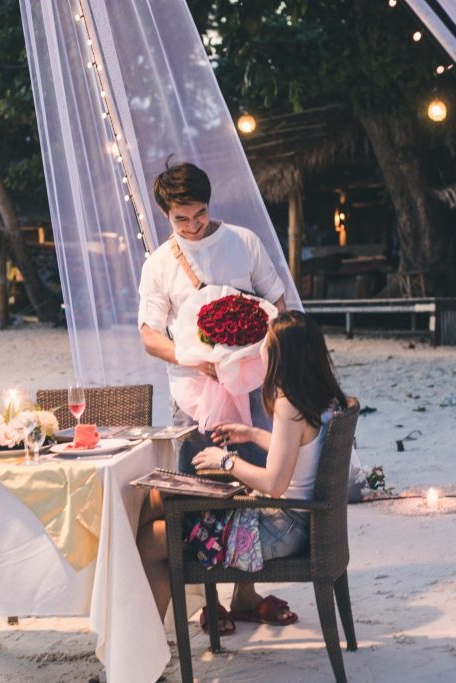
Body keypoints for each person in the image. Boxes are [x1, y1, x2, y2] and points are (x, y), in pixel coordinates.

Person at [138, 160, 290, 633]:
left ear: (210, 203)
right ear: (166, 214)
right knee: (200, 492)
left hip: (251, 388)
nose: (191, 225)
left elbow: (279, 307)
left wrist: (247, 345)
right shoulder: (159, 262)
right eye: (180, 218)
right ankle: (210, 600)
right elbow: (148, 335)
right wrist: (194, 358)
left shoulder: (242, 241)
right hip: (193, 394)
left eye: (198, 214)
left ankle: (245, 593)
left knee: (251, 485)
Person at [137, 311, 348, 632]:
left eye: (267, 341)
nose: (261, 347)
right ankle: (142, 641)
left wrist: (226, 461)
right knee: (159, 502)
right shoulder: (320, 399)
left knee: (151, 538)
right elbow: (299, 450)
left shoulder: (289, 405)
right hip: (295, 523)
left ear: (281, 354)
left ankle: (141, 648)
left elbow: (275, 484)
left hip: (277, 529)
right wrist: (251, 435)